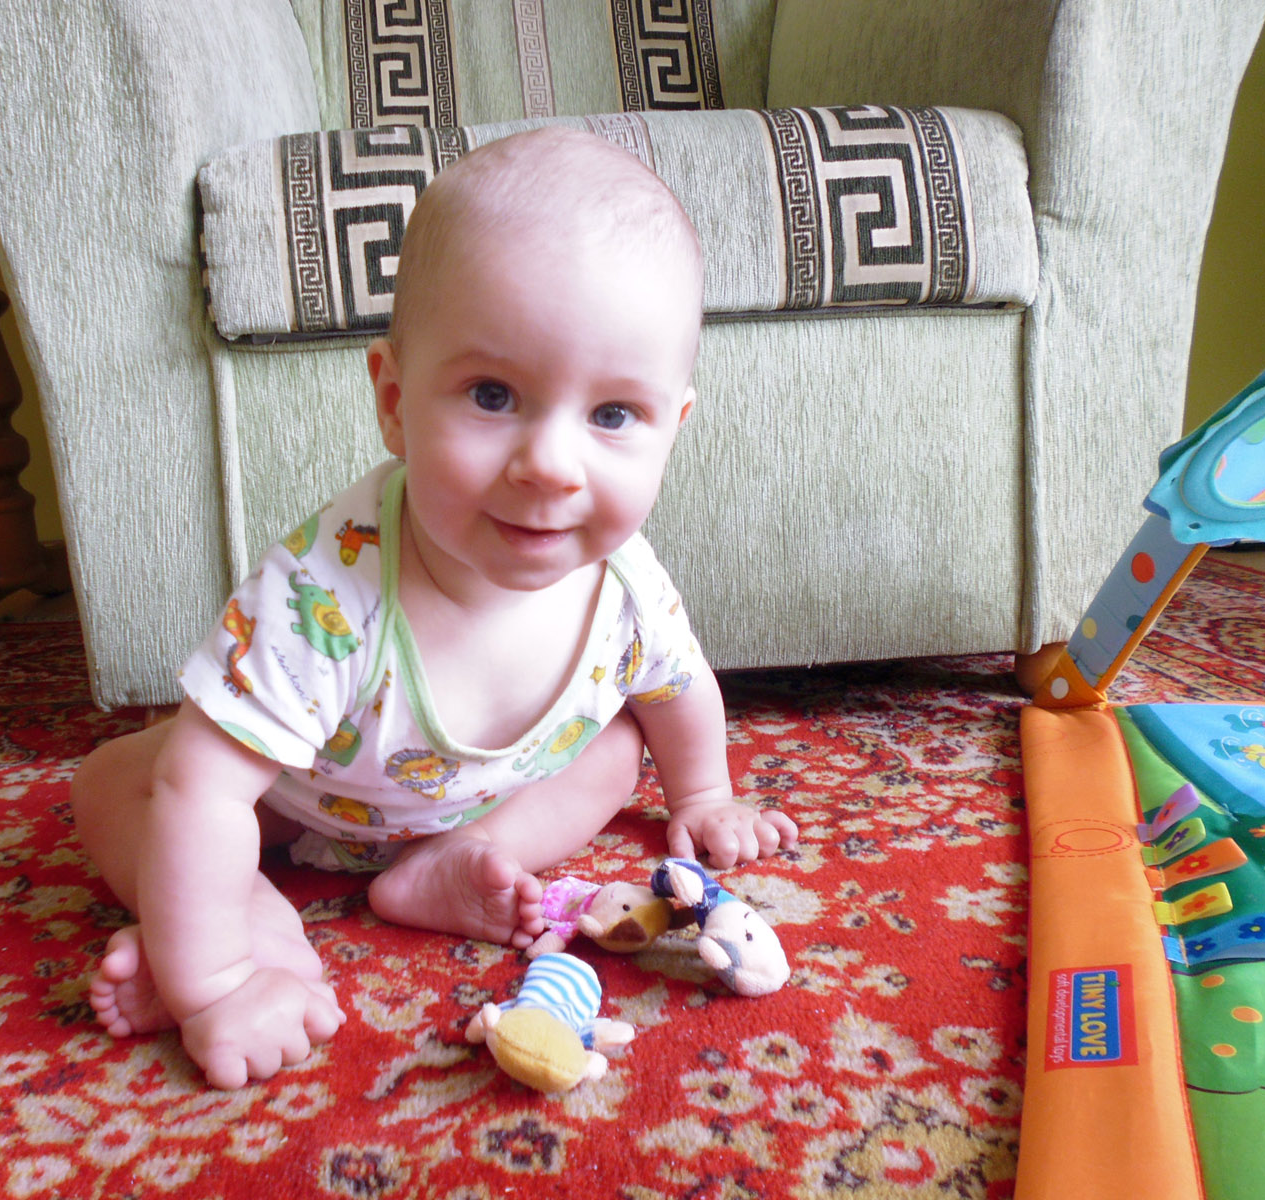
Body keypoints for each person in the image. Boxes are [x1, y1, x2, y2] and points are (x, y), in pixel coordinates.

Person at [68, 126, 799, 1090]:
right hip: (298, 795)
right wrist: (216, 983)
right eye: (492, 395)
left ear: (675, 427)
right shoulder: (325, 597)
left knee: (621, 747)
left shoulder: (624, 583)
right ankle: (248, 929)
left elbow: (678, 683)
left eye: (613, 415)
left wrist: (702, 794)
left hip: (487, 800)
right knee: (125, 785)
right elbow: (206, 791)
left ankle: (459, 862)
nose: (551, 465)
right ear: (393, 399)